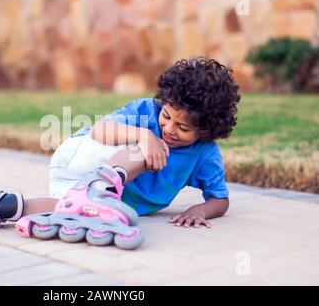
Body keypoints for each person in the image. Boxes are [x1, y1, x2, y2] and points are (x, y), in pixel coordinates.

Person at [21, 56, 241, 229]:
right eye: (166, 116)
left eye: (183, 128)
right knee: (153, 145)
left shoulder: (204, 153)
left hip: (84, 188)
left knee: (72, 207)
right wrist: (144, 136)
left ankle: (6, 207)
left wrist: (199, 210)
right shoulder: (146, 110)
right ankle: (102, 188)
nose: (169, 129)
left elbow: (220, 199)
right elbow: (99, 131)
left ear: (206, 132)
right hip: (81, 156)